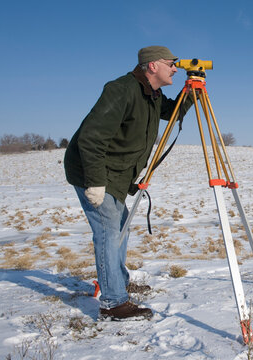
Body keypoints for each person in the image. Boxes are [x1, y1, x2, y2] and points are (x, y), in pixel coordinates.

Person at [64, 46, 192, 320]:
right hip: (93, 170)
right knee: (109, 231)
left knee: (119, 227)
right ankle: (114, 302)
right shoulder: (121, 89)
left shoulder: (152, 94)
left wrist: (189, 94)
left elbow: (172, 112)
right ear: (153, 66)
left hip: (117, 173)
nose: (176, 68)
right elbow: (91, 138)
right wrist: (95, 182)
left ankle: (116, 283)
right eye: (172, 64)